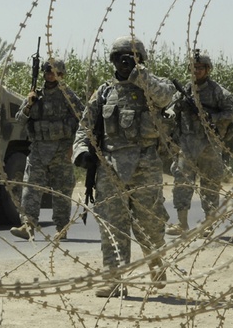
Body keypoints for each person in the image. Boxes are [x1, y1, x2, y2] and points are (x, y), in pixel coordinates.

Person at [71, 36, 176, 297]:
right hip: (111, 168)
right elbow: (85, 126)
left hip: (145, 165)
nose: (125, 62)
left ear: (141, 59)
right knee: (112, 226)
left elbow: (166, 98)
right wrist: (81, 151)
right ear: (113, 61)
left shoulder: (153, 86)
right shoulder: (104, 92)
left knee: (149, 224)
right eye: (120, 57)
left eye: (131, 57)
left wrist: (142, 77)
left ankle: (155, 263)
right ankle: (114, 280)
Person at [10, 57, 84, 241]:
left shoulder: (68, 95)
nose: (50, 76)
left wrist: (73, 146)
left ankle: (62, 228)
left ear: (61, 74)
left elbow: (82, 120)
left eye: (54, 73)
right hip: (38, 151)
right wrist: (29, 104)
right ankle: (28, 225)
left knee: (61, 191)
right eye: (48, 72)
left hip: (61, 150)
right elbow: (19, 120)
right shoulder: (36, 95)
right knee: (31, 189)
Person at [168, 50, 233, 234]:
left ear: (208, 69)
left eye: (200, 68)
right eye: (193, 67)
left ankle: (208, 224)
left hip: (209, 144)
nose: (196, 71)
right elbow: (170, 110)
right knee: (182, 183)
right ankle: (182, 224)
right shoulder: (185, 91)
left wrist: (211, 116)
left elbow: (232, 113)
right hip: (187, 144)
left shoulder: (218, 92)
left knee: (210, 184)